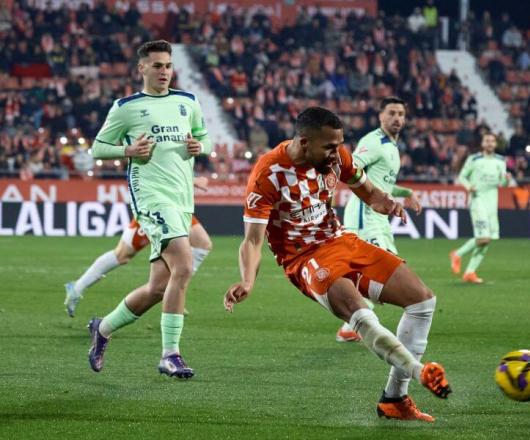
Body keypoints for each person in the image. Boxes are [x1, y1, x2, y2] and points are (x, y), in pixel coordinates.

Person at [224, 107, 451, 422]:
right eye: (329, 147)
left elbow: (367, 191)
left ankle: (394, 399)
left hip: (343, 241)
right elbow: (252, 240)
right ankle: (419, 371)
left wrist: (386, 203)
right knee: (362, 316)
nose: (337, 153)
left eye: (339, 145)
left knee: (423, 301)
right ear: (304, 143)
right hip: (305, 258)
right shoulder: (268, 174)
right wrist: (247, 280)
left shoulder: (336, 157)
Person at [86, 40, 212, 379]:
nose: (164, 71)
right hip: (152, 197)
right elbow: (98, 148)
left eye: (168, 65)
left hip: (183, 199)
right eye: (157, 65)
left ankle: (103, 328)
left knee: (158, 287)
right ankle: (170, 354)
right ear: (142, 68)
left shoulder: (188, 102)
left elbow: (205, 137)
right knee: (184, 266)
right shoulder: (126, 107)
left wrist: (201, 146)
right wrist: (128, 150)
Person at [63, 177, 213, 318]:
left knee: (203, 243)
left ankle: (172, 290)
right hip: (155, 208)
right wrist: (192, 180)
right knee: (122, 255)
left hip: (175, 207)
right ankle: (76, 288)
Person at [340, 97, 421, 342]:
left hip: (379, 216)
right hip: (366, 214)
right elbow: (351, 169)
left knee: (384, 267)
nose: (397, 118)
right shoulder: (374, 141)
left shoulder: (392, 147)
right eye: (392, 113)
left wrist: (407, 193)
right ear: (380, 116)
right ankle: (354, 320)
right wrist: (369, 198)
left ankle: (352, 324)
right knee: (384, 268)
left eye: (401, 113)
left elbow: (384, 183)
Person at [450, 133, 511, 283]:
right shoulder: (474, 159)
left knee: (487, 239)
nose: (490, 143)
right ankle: (457, 254)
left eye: (492, 141)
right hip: (477, 201)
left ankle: (470, 272)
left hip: (492, 203)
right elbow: (462, 177)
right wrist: (469, 186)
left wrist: (506, 180)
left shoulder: (501, 161)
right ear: (482, 144)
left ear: (495, 144)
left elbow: (502, 184)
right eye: (487, 141)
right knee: (483, 237)